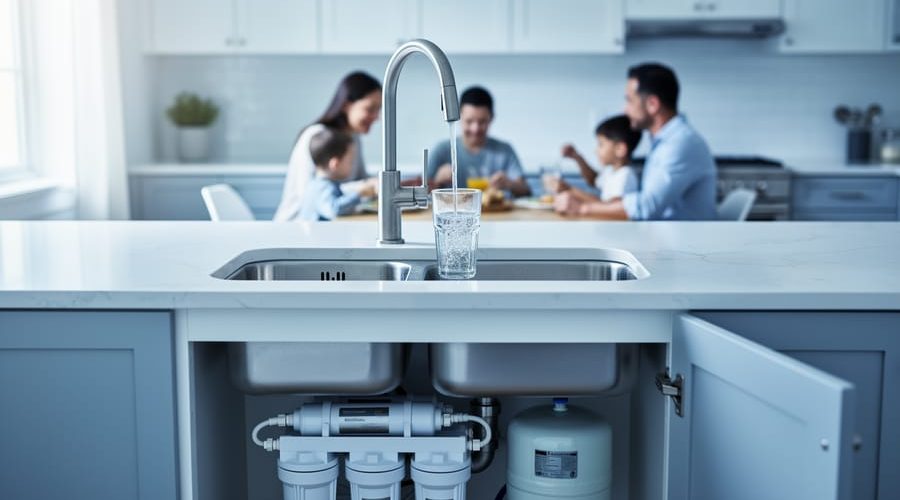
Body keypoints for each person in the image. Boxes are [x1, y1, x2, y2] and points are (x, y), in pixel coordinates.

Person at [554, 63, 717, 220]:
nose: (624, 109)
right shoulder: (664, 141)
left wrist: (582, 208)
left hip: (683, 244)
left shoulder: (680, 143)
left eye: (629, 100)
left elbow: (646, 207)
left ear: (652, 104)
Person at [274, 71, 382, 221]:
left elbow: (359, 180)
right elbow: (310, 191)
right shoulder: (316, 136)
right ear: (346, 105)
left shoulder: (353, 138)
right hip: (299, 226)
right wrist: (364, 189)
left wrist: (384, 184)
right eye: (370, 109)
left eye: (379, 110)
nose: (377, 117)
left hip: (334, 225)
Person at [426, 86, 531, 197]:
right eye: (469, 121)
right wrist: (437, 181)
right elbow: (422, 194)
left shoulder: (504, 150)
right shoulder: (441, 150)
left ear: (491, 118)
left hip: (496, 212)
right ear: (459, 117)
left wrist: (509, 183)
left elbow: (526, 190)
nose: (475, 129)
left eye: (482, 122)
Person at [547, 115, 641, 204]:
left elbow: (611, 208)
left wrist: (569, 190)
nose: (596, 151)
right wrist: (577, 157)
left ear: (619, 149)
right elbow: (593, 180)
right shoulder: (611, 172)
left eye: (601, 144)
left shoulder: (626, 175)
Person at [298, 128, 374, 221]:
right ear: (335, 164)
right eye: (350, 161)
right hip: (317, 235)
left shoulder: (325, 185)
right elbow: (334, 209)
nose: (352, 165)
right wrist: (359, 194)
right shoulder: (321, 187)